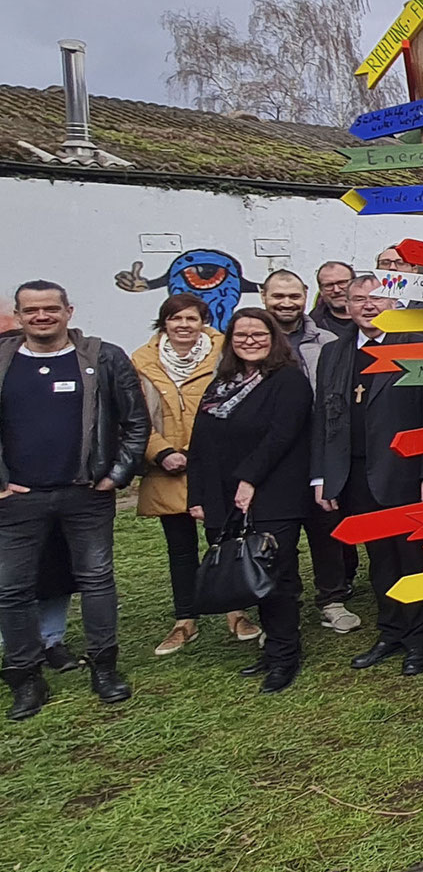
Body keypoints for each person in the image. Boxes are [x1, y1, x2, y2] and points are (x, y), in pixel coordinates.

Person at [0, 282, 146, 720]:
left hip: (86, 494)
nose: (42, 317)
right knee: (11, 590)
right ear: (19, 315)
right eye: (32, 310)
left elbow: (136, 420)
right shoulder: (4, 360)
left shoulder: (103, 357)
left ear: (69, 311)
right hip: (18, 499)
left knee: (97, 580)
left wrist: (117, 475)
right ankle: (26, 677)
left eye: (51, 309)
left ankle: (105, 669)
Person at [311, 273, 423, 677]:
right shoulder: (336, 352)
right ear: (345, 306)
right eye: (358, 299)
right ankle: (390, 631)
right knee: (379, 559)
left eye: (376, 298)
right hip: (355, 474)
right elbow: (324, 417)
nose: (368, 306)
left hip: (403, 472)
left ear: (394, 305)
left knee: (411, 558)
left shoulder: (415, 348)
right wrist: (323, 477)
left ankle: (419, 638)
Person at [185, 308, 315, 694]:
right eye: (241, 335)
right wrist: (198, 495)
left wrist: (249, 480)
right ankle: (271, 647)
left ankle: (284, 654)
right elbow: (201, 442)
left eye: (258, 334)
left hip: (274, 493)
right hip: (225, 495)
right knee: (246, 573)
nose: (249, 341)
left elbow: (280, 437)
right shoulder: (221, 383)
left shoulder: (289, 381)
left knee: (276, 574)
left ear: (273, 338)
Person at [131, 293, 250, 654]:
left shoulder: (224, 353)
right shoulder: (141, 361)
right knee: (179, 548)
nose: (183, 325)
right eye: (175, 318)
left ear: (204, 322)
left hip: (216, 464)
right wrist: (161, 452)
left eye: (191, 319)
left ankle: (236, 612)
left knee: (225, 539)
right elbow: (133, 414)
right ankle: (185, 619)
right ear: (163, 323)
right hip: (167, 466)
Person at [261, 270, 351, 628]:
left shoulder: (326, 340)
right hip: (270, 455)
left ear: (304, 297)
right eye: (278, 296)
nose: (286, 303)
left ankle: (332, 598)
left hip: (319, 447)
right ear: (263, 296)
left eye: (293, 296)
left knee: (326, 526)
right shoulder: (251, 338)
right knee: (276, 537)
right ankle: (283, 604)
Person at [310, 261, 355, 333]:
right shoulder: (311, 327)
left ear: (355, 283)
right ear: (321, 290)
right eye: (329, 285)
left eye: (342, 283)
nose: (336, 290)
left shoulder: (377, 320)